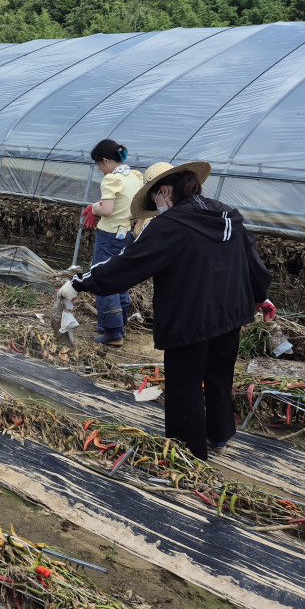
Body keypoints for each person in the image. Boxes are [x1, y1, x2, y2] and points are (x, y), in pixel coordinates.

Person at [58, 161, 274, 461]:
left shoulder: (170, 226)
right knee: (220, 377)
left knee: (184, 386)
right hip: (230, 314)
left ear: (164, 192)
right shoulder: (227, 214)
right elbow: (250, 258)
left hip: (190, 318)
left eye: (155, 201)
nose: (156, 207)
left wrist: (79, 283)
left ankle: (188, 455)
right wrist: (260, 295)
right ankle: (219, 436)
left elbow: (127, 263)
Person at [82, 139, 143, 346]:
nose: (99, 169)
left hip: (109, 236)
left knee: (103, 279)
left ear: (106, 160)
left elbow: (107, 210)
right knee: (120, 278)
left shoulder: (111, 179)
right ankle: (119, 325)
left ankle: (112, 332)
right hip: (126, 235)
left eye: (98, 164)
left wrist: (94, 208)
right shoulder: (134, 177)